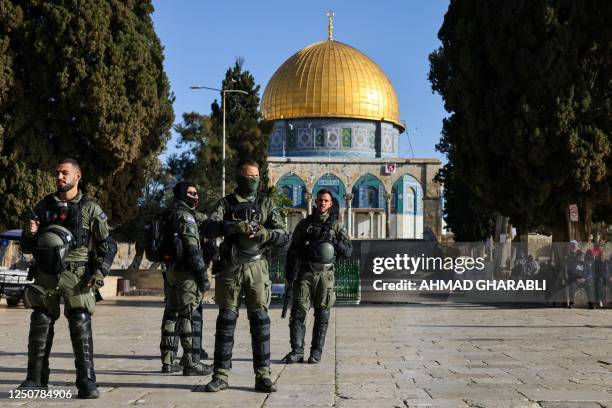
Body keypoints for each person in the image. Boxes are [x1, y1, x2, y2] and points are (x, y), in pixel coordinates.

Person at [19, 158, 117, 399]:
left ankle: (86, 381)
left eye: (65, 173)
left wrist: (99, 273)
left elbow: (109, 245)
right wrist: (29, 233)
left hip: (77, 274)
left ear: (77, 176)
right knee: (40, 320)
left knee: (80, 322)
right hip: (46, 273)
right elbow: (28, 246)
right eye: (57, 173)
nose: (60, 177)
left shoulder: (90, 208)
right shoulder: (43, 206)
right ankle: (35, 379)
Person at [202, 159, 288, 393]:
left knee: (260, 323)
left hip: (257, 269)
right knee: (226, 322)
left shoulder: (266, 204)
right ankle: (220, 375)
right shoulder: (226, 203)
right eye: (248, 176)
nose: (252, 181)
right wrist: (231, 227)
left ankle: (263, 376)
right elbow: (208, 228)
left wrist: (266, 234)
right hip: (230, 268)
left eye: (256, 177)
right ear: (239, 178)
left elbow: (283, 237)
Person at [281, 189, 352, 365]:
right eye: (320, 200)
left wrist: (333, 241)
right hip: (305, 273)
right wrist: (289, 275)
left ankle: (316, 351)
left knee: (322, 313)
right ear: (315, 202)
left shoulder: (337, 226)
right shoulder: (304, 224)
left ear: (330, 203)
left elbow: (348, 251)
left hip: (325, 275)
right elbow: (293, 250)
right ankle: (297, 350)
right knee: (298, 312)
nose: (322, 203)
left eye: (326, 201)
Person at [159, 182, 215, 376]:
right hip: (186, 273)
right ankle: (191, 363)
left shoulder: (167, 213)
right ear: (183, 194)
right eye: (192, 193)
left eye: (197, 193)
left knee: (170, 314)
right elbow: (192, 248)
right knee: (187, 315)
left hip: (171, 271)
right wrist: (203, 278)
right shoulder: (184, 215)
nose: (196, 197)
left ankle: (167, 362)